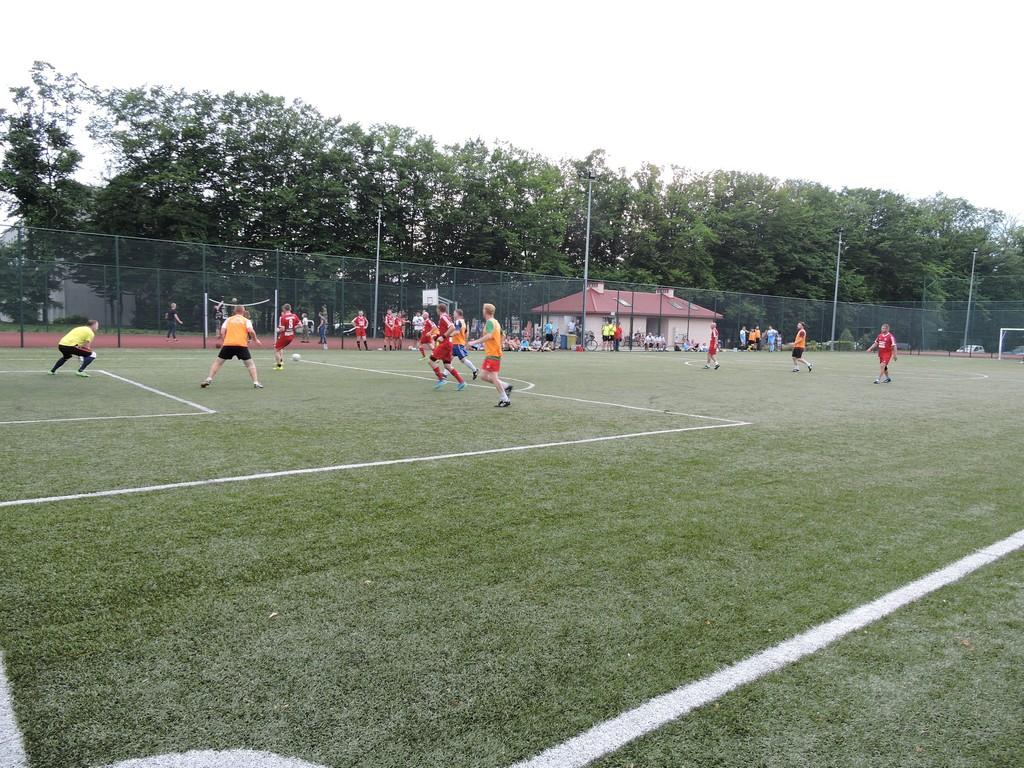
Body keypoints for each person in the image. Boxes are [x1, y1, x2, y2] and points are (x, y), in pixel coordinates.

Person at [202, 304, 263, 388]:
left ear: (234, 311)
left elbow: (222, 332)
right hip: (241, 345)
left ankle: (209, 379)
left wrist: (225, 341)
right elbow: (251, 331)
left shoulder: (228, 319)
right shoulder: (246, 320)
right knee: (250, 365)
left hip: (228, 345)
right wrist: (256, 340)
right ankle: (256, 382)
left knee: (218, 363)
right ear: (244, 311)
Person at [468, 303, 513, 407]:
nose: (482, 311)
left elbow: (489, 336)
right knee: (483, 376)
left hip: (493, 354)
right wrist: (499, 345)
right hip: (492, 353)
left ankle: (505, 399)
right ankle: (506, 386)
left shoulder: (489, 322)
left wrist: (474, 342)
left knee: (494, 377)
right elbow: (503, 335)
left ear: (486, 311)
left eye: (483, 309)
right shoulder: (495, 322)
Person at [428, 303, 466, 391]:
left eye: (437, 309)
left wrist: (443, 336)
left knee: (431, 361)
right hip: (448, 344)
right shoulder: (446, 317)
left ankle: (441, 379)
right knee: (447, 365)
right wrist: (436, 337)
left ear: (438, 309)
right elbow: (445, 331)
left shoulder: (443, 317)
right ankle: (461, 382)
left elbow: (452, 327)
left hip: (445, 344)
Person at [450, 308, 479, 379]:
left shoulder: (457, 321)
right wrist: (465, 341)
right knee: (449, 359)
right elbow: (466, 333)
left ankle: (475, 370)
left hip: (457, 343)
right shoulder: (463, 322)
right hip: (457, 343)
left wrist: (447, 335)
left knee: (462, 359)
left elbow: (457, 331)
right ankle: (444, 375)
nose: (453, 314)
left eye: (454, 313)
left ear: (458, 314)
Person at [273, 303, 302, 370]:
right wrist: (293, 328)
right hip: (291, 336)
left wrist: (278, 330)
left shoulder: (283, 317)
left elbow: (282, 329)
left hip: (285, 336)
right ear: (290, 309)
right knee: (279, 348)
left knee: (276, 350)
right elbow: (300, 325)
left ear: (284, 309)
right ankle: (281, 361)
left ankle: (279, 366)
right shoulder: (294, 316)